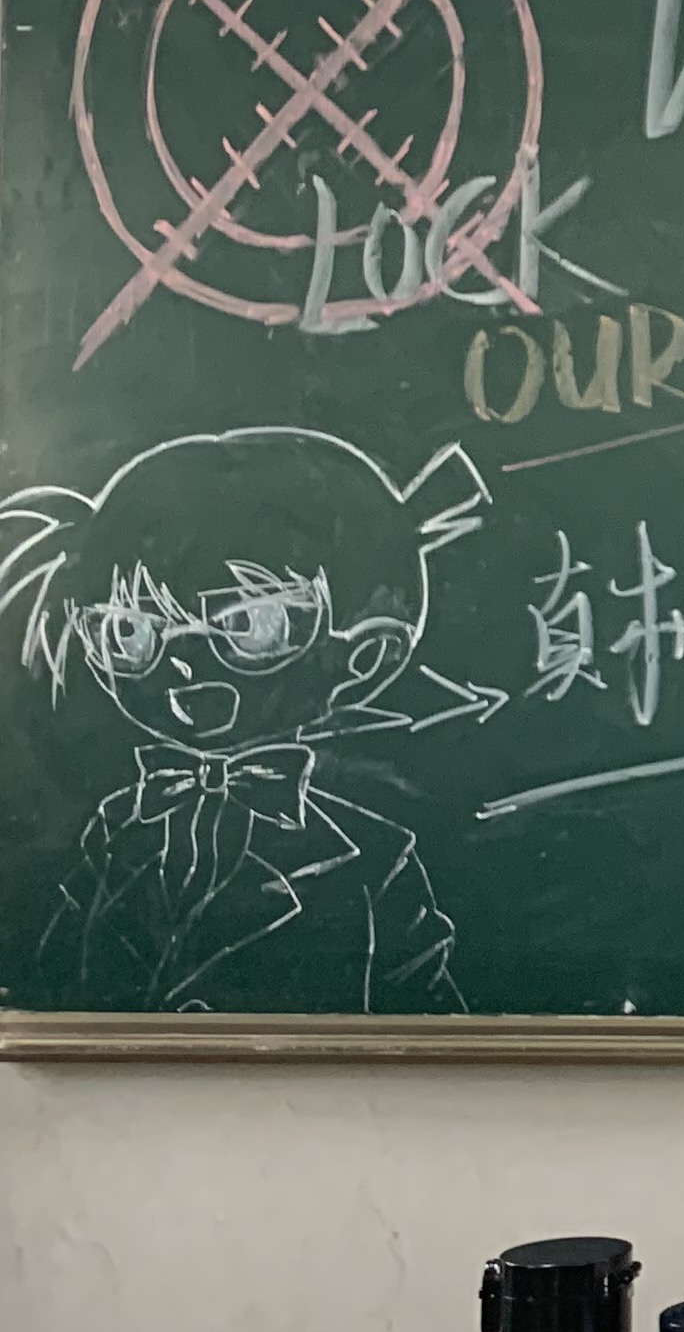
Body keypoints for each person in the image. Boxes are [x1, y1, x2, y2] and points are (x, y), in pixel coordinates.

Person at [0, 427, 488, 1013]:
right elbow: (45, 991)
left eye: (250, 626)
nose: (181, 664)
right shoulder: (114, 833)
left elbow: (431, 1026)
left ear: (367, 653)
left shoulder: (376, 862)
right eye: (128, 632)